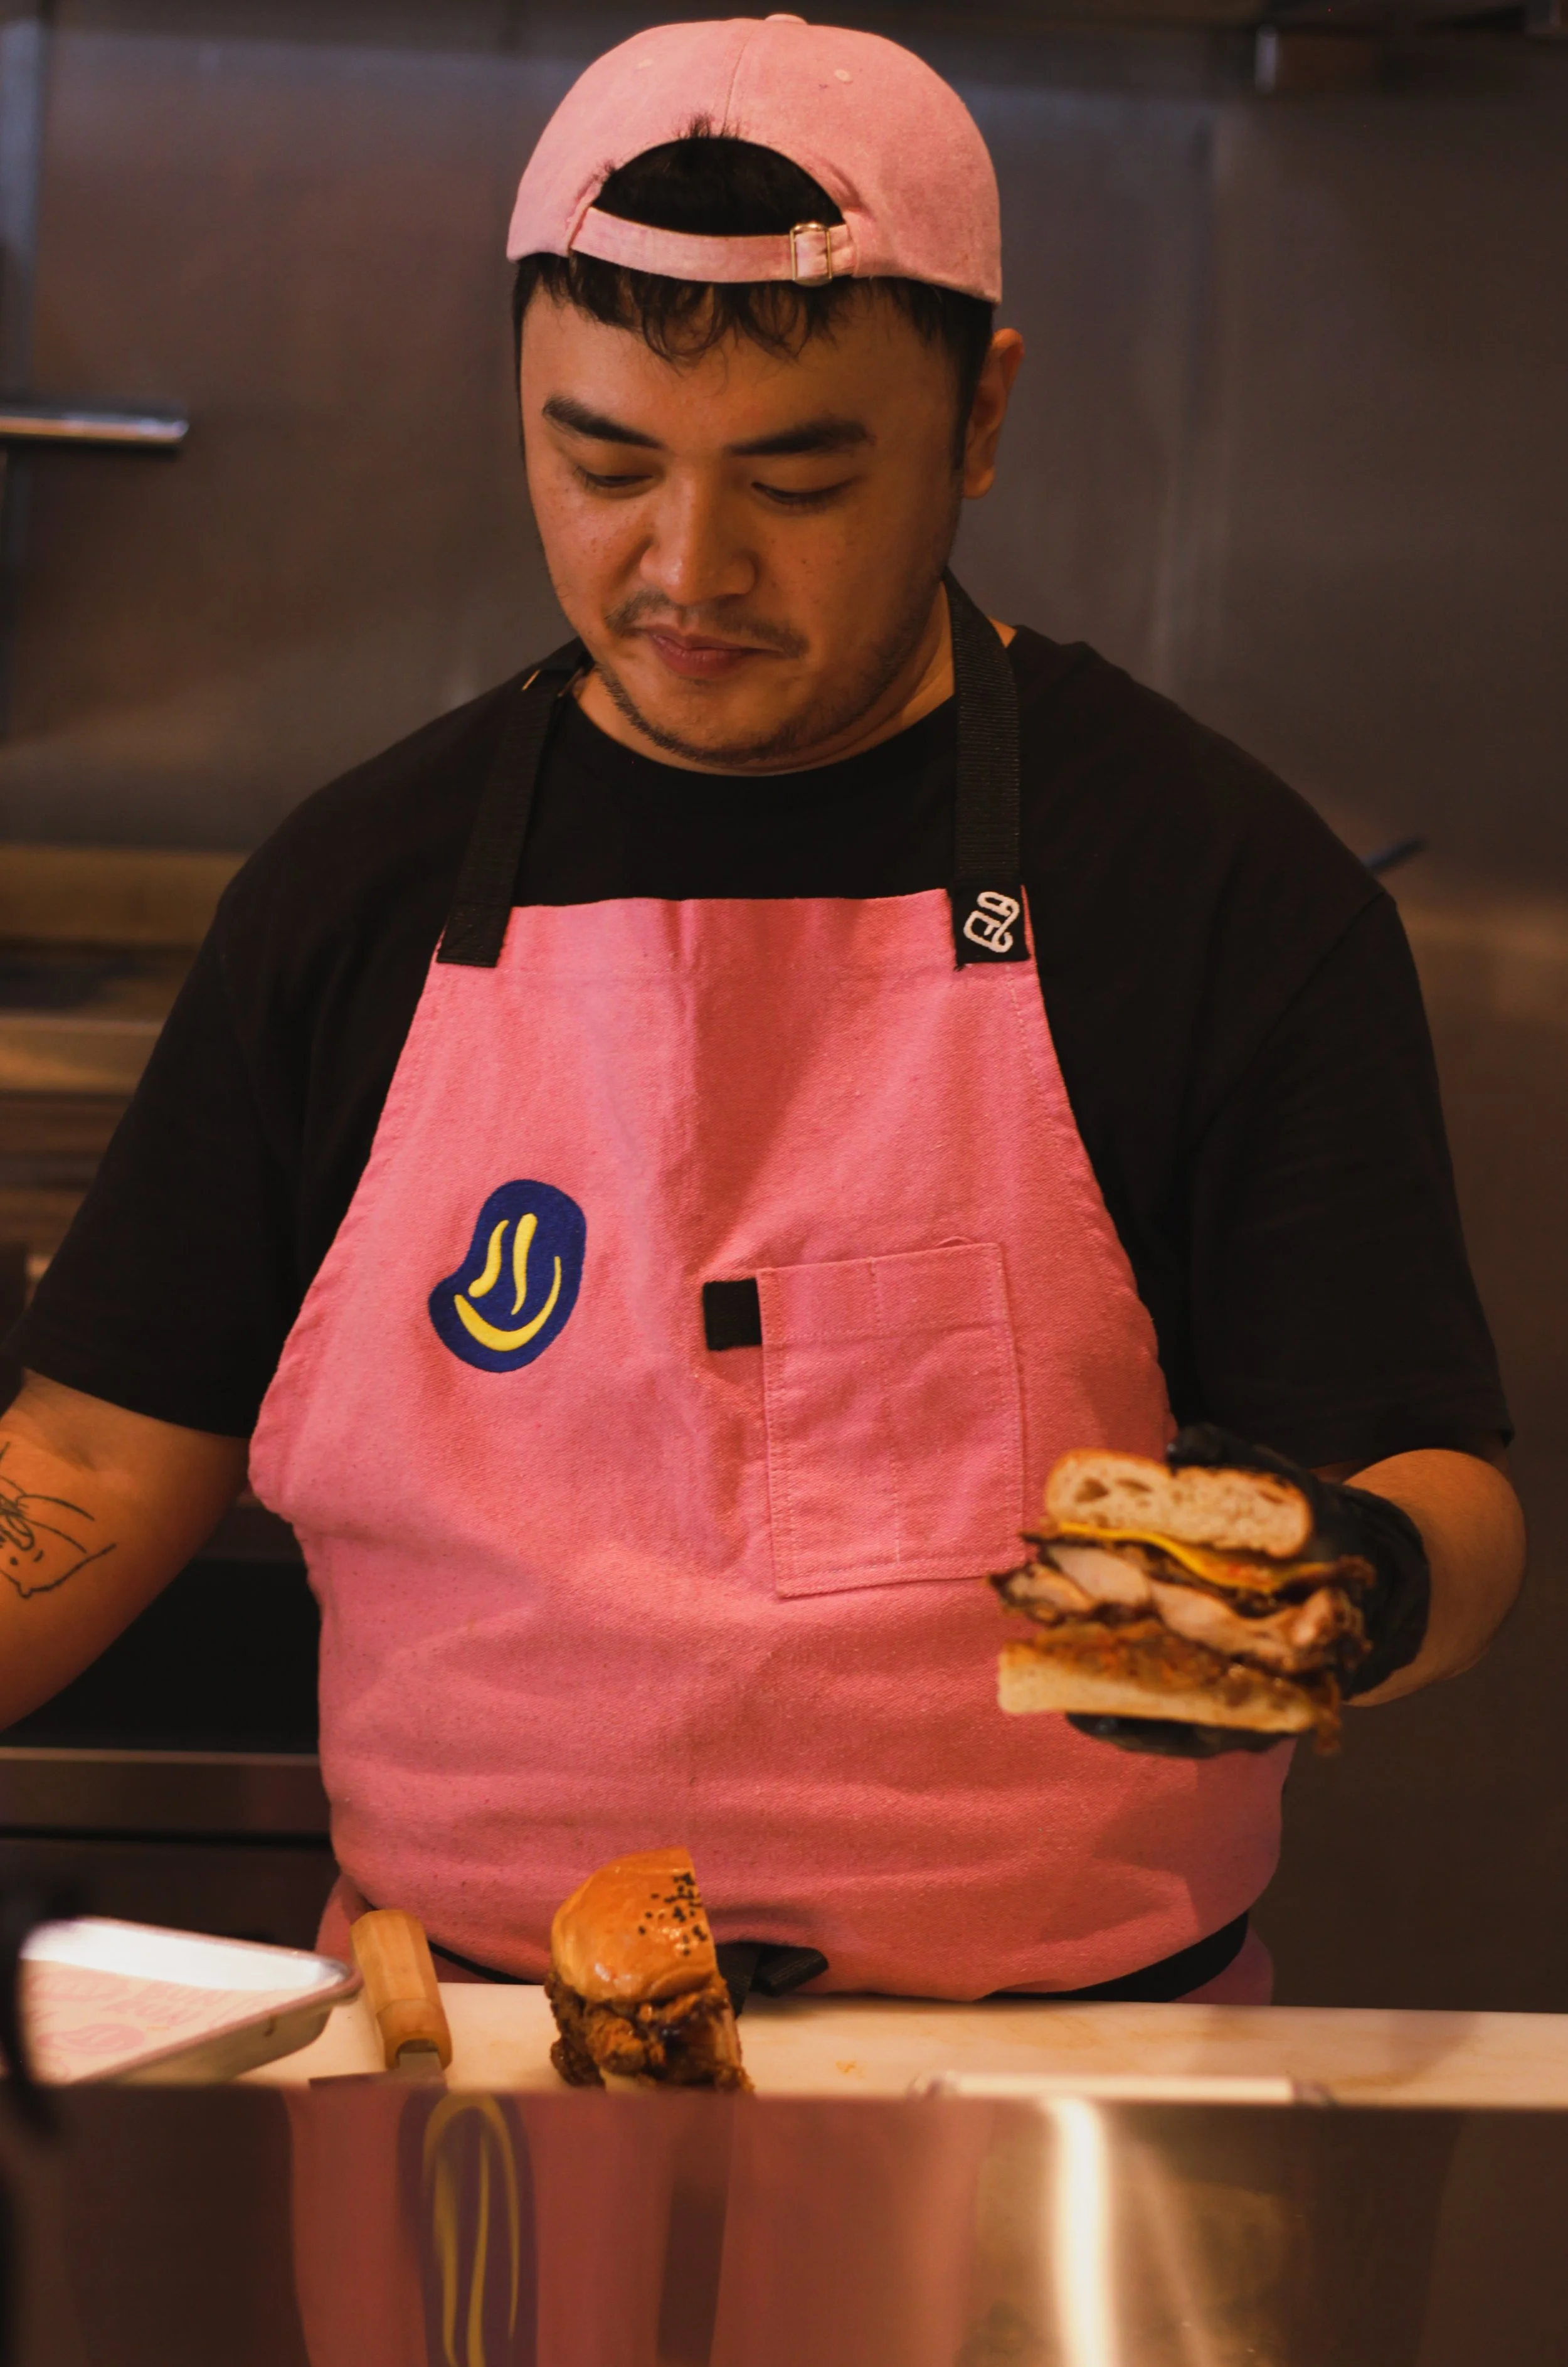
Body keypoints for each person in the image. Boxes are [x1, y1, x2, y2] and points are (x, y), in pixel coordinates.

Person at [0, 16, 1523, 2006]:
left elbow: (1441, 1490)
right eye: (601, 463)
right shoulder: (357, 887)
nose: (684, 569)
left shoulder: (1211, 887)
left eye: (799, 478)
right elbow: (98, 1462)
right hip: (473, 2077)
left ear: (980, 416)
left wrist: (1339, 1589)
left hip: (1064, 2087)